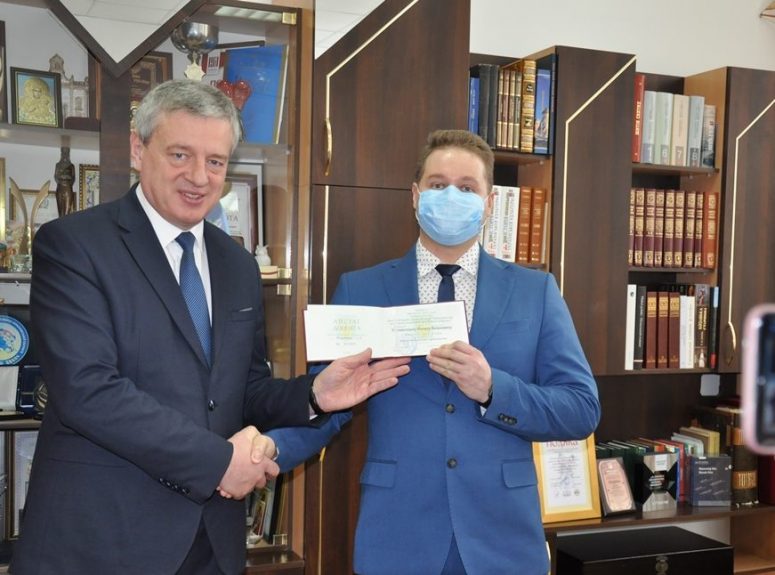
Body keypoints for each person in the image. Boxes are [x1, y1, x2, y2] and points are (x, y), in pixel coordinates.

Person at [10, 79, 409, 575]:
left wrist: (314, 395)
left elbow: (244, 390)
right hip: (103, 540)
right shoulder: (75, 245)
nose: (199, 177)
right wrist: (220, 462)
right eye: (180, 155)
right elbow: (88, 391)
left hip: (212, 544)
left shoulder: (237, 265)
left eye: (216, 161)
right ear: (138, 149)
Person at [266, 129, 600, 575]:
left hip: (502, 540)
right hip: (398, 537)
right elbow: (330, 403)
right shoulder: (362, 289)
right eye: (438, 185)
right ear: (415, 195)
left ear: (489, 203)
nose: (451, 197)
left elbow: (580, 408)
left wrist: (493, 389)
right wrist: (267, 450)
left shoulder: (535, 291)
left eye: (467, 188)